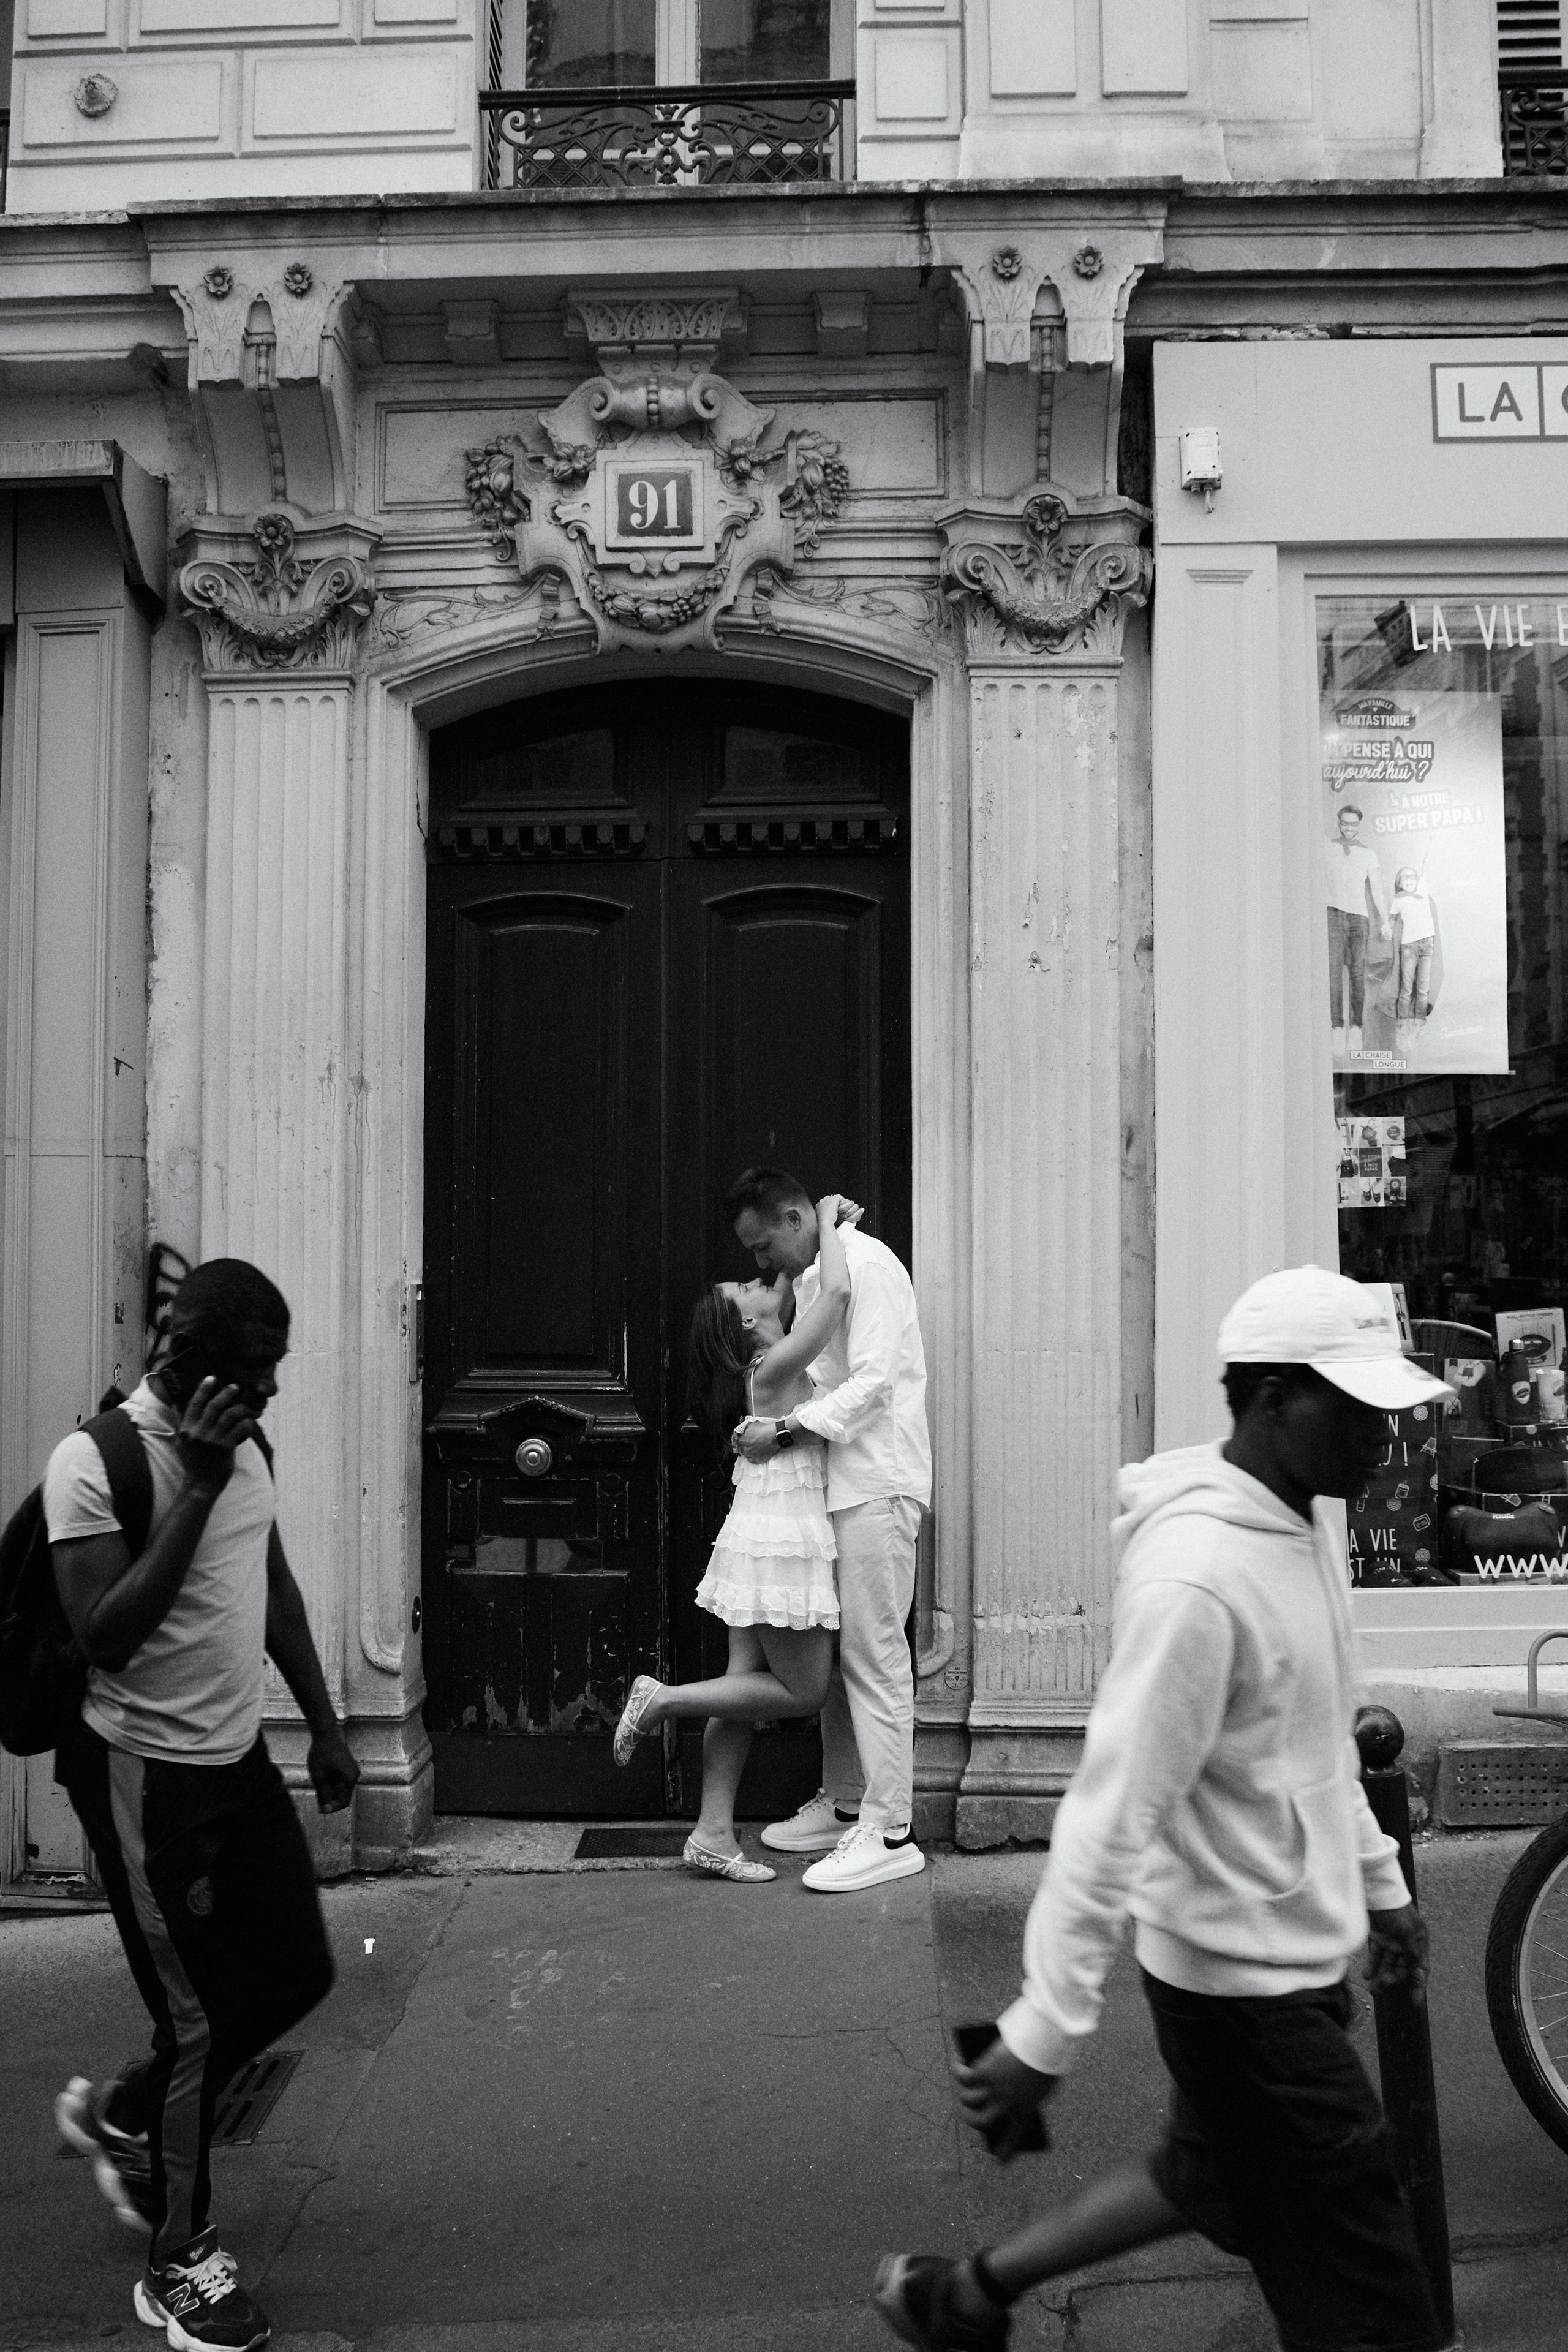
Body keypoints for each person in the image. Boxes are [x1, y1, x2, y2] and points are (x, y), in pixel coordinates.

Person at [875, 1265, 1455, 2352]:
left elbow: (1313, 1742)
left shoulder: (1300, 1524)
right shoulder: (1198, 1581)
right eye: (1358, 1407)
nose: (1385, 1436)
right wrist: (1045, 2025)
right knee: (1380, 2311)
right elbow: (1112, 1810)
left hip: (1271, 1963)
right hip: (1247, 1996)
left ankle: (965, 2295)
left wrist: (1382, 1890)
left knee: (1212, 2177)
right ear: (1275, 1400)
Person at [47, 1257, 359, 2352]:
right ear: (191, 1362)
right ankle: (179, 2266)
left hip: (238, 1763)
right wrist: (197, 1485)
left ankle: (127, 2113)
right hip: (144, 1777)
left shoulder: (250, 1446)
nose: (271, 1389)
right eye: (255, 1368)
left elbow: (270, 1587)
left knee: (297, 1972)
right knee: (199, 2021)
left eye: (276, 1367)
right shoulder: (94, 1463)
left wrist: (324, 1725)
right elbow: (107, 1635)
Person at [612, 1194, 859, 1882]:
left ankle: (713, 1834)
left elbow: (793, 1272)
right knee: (804, 1691)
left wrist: (805, 1228)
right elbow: (836, 1293)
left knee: (743, 1686)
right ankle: (663, 1700)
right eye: (745, 1287)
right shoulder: (774, 1367)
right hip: (781, 1534)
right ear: (747, 1322)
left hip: (759, 1528)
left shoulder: (763, 1363)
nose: (759, 1277)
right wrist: (827, 1218)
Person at [727, 1166, 932, 1895]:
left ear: (792, 1220)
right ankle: (848, 1802)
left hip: (878, 1482)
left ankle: (890, 1830)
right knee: (847, 1655)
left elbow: (873, 1382)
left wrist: (783, 1431)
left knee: (874, 1654)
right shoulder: (822, 1276)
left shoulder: (867, 1265)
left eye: (762, 1246)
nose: (761, 1263)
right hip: (840, 1485)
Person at [1326, 804, 1392, 1060]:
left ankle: (1356, 1028)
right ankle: (1336, 1028)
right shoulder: (1327, 847)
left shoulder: (1368, 854)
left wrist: (1385, 920)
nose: (1349, 828)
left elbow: (1377, 889)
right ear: (1339, 822)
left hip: (1359, 918)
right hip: (1332, 913)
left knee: (1356, 973)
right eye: (1345, 823)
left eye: (1353, 824)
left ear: (1359, 825)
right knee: (1333, 972)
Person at [1391, 864, 1438, 1025]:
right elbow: (1392, 919)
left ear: (1418, 880)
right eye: (1404, 878)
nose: (1409, 880)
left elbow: (1427, 864)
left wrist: (1430, 848)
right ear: (1399, 883)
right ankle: (1402, 1023)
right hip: (1409, 947)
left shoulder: (1422, 889)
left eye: (1412, 876)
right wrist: (1387, 929)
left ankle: (1419, 1022)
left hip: (1428, 944)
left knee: (1423, 988)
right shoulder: (1399, 899)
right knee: (1407, 989)